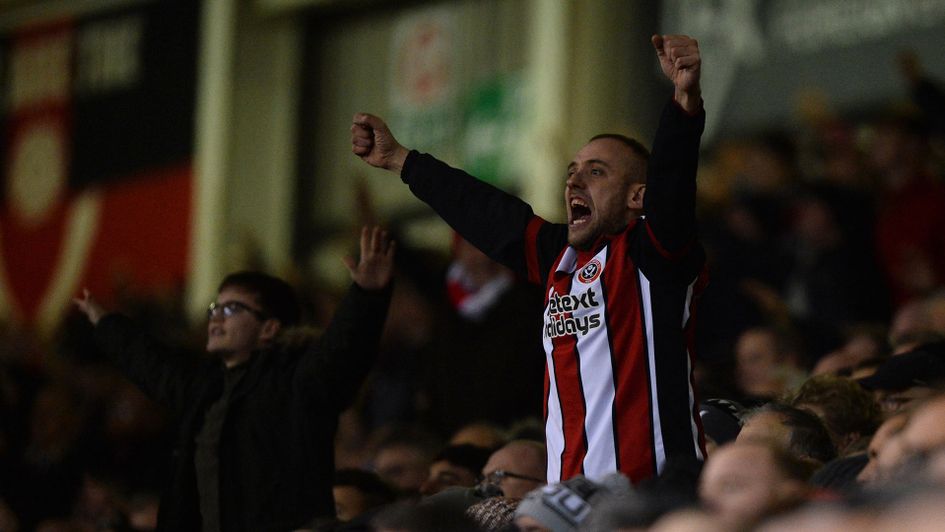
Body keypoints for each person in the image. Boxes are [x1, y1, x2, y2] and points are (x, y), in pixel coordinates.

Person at [352, 34, 707, 483]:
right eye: (572, 172)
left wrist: (684, 102)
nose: (575, 181)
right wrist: (401, 160)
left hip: (656, 495)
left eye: (597, 172)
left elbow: (673, 186)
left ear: (639, 197)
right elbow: (489, 215)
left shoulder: (654, 256)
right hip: (570, 501)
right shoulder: (560, 258)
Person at [73, 227, 395, 531]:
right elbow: (153, 366)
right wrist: (106, 324)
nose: (215, 318)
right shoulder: (205, 390)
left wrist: (366, 296)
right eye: (216, 307)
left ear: (269, 328)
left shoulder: (297, 381)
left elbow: (343, 350)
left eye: (231, 310)